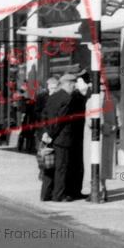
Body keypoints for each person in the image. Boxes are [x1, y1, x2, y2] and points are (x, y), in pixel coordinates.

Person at [42, 74, 79, 202]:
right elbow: (60, 120)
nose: (73, 88)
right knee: (61, 167)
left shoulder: (52, 97)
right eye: (73, 85)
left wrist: (47, 132)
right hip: (62, 138)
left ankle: (46, 194)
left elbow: (45, 116)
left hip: (52, 136)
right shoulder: (67, 98)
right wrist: (52, 135)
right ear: (68, 84)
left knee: (50, 166)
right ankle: (59, 195)